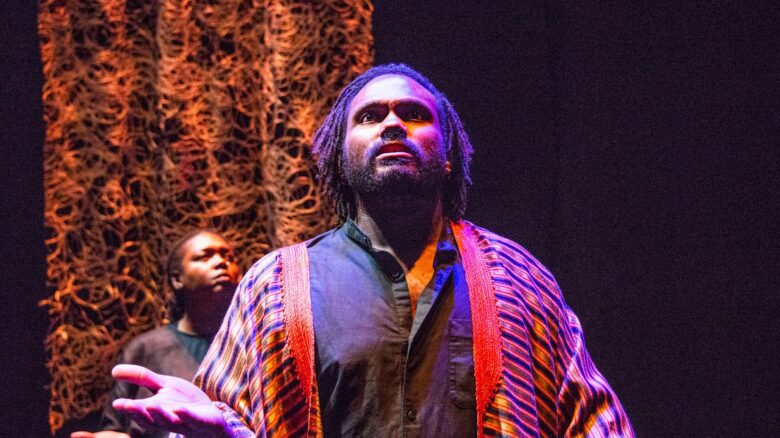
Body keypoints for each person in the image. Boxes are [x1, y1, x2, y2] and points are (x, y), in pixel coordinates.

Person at [111, 64, 634, 437]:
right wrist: (219, 430)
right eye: (369, 117)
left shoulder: (520, 278)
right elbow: (228, 419)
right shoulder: (274, 286)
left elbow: (592, 422)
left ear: (447, 155)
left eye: (414, 113)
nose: (392, 124)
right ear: (341, 160)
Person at [71, 230, 241, 438]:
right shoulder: (146, 349)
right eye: (205, 257)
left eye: (229, 258)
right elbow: (116, 426)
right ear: (177, 279)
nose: (222, 263)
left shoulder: (249, 346)